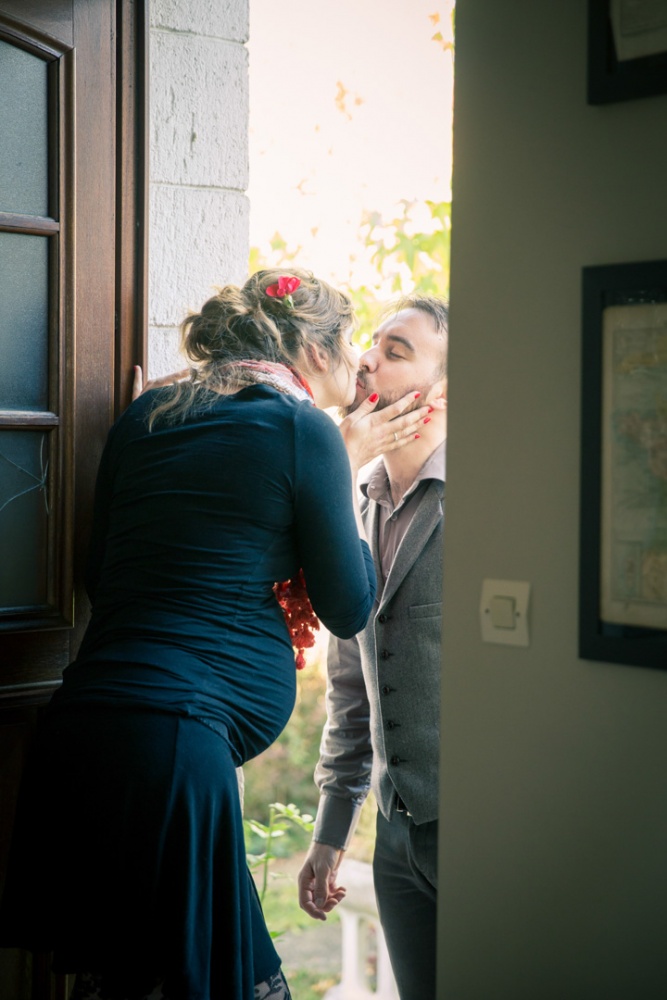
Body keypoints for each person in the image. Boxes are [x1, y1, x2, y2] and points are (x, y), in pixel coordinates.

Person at [0, 269, 431, 1000]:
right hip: (170, 748)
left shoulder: (149, 414)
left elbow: (100, 575)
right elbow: (350, 606)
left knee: (128, 985)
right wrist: (344, 463)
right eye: (351, 343)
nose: (358, 360)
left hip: (82, 732)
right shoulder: (303, 431)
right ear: (314, 351)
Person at [297, 294, 448, 1000]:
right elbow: (352, 684)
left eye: (396, 351)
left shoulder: (497, 500)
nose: (366, 359)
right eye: (372, 345)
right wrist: (331, 833)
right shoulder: (351, 499)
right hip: (394, 838)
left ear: (443, 389)